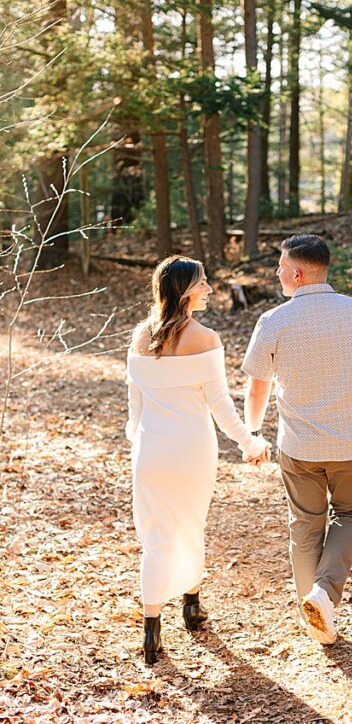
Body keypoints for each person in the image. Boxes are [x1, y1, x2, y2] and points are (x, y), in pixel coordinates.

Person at [241, 234, 352, 645]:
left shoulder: (274, 321)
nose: (277, 273)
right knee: (351, 514)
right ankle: (324, 595)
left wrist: (253, 431)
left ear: (297, 272)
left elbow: (257, 388)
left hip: (299, 447)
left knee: (305, 526)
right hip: (351, 444)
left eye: (280, 267)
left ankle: (315, 615)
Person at [126, 256, 270, 665]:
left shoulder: (140, 336)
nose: (209, 288)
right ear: (186, 289)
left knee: (154, 539)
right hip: (191, 451)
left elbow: (134, 408)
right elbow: (221, 406)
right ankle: (191, 606)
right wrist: (250, 442)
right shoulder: (205, 338)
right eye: (203, 282)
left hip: (151, 452)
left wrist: (137, 445)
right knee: (190, 526)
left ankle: (152, 630)